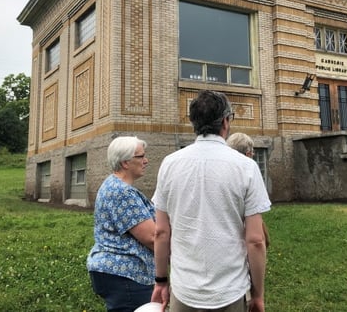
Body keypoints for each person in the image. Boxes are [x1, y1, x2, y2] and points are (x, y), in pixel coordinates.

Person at [151, 90, 271, 312]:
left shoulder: (169, 164)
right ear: (225, 122)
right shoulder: (247, 167)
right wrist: (258, 295)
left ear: (194, 124)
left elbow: (160, 232)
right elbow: (255, 240)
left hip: (184, 290)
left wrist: (160, 281)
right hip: (230, 291)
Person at [87, 136, 156, 312]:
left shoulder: (113, 185)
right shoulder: (122, 192)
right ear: (126, 162)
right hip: (127, 275)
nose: (146, 161)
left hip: (117, 273)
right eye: (141, 157)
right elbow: (152, 238)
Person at [226, 132, 270, 248]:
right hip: (240, 246)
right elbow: (256, 237)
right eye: (253, 153)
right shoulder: (249, 168)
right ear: (248, 154)